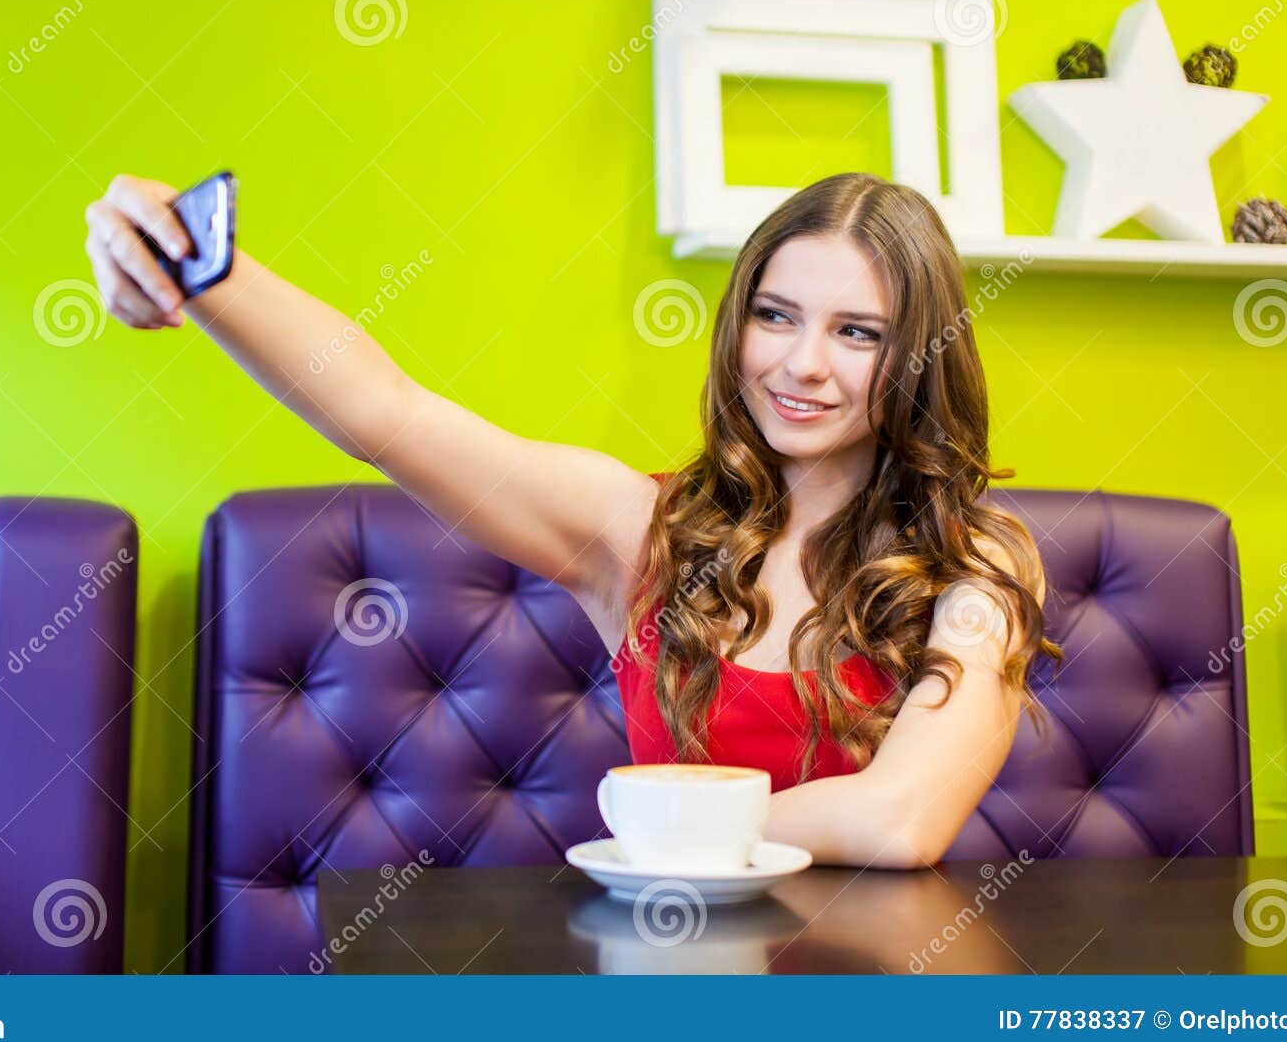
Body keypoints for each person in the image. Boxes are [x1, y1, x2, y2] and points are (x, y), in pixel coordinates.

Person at [83, 169, 1061, 870]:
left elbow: (900, 822)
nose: (802, 362)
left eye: (857, 332)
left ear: (920, 355)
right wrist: (203, 270)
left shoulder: (975, 563)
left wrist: (660, 827)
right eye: (775, 314)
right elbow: (387, 413)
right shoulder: (637, 528)